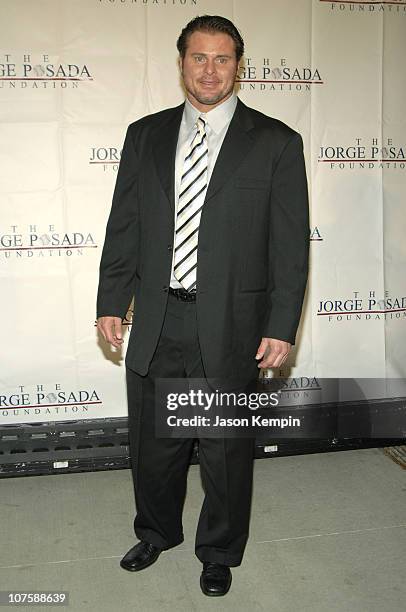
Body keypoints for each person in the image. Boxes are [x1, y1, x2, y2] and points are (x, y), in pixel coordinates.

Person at [96, 14, 309, 597]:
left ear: (238, 66)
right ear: (181, 62)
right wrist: (112, 299)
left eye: (222, 58)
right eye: (198, 57)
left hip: (234, 326)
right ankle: (156, 531)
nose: (209, 69)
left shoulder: (276, 143)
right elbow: (125, 227)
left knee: (223, 449)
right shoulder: (144, 135)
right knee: (155, 443)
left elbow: (289, 250)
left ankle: (217, 550)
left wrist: (280, 325)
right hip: (160, 319)